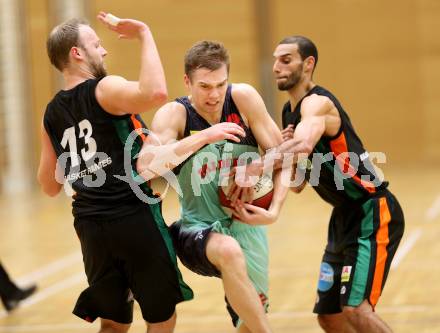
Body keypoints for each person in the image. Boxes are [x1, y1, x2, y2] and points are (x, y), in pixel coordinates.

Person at [234, 35, 405, 333]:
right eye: (275, 60)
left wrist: (261, 164)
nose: (276, 67)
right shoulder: (290, 112)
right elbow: (300, 182)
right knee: (330, 316)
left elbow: (304, 143)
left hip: (372, 212)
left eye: (286, 60)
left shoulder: (318, 104)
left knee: (356, 309)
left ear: (308, 64)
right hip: (342, 217)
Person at [38, 12, 193, 333]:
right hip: (132, 218)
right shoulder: (104, 88)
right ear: (77, 53)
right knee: (161, 316)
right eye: (96, 44)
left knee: (113, 322)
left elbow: (49, 185)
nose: (104, 50)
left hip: (90, 228)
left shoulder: (51, 113)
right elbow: (155, 94)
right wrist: (145, 34)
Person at [137, 40, 287, 333]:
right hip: (196, 228)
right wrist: (205, 136)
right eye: (205, 86)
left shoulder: (243, 99)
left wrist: (270, 199)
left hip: (248, 225)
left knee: (249, 322)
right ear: (187, 82)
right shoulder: (175, 114)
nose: (215, 94)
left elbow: (286, 155)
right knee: (229, 251)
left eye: (221, 84)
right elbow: (145, 167)